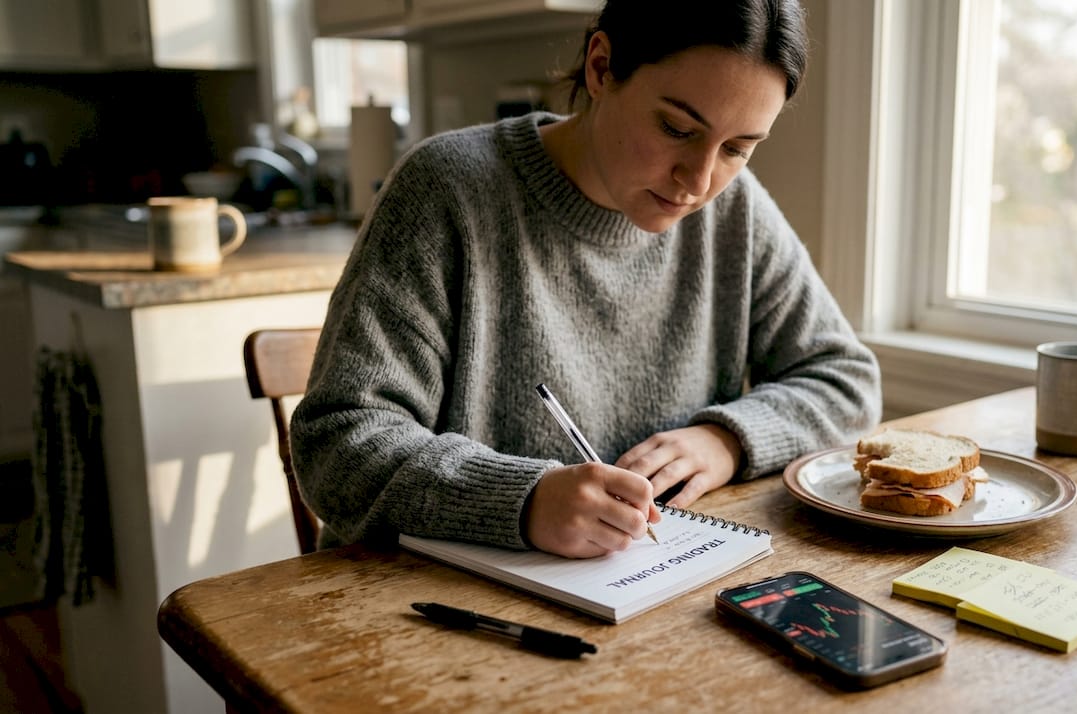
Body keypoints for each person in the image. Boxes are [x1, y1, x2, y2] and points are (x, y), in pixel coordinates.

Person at [290, 0, 882, 559]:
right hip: (421, 613)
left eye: (738, 148)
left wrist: (727, 440)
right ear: (601, 68)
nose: (698, 181)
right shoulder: (447, 190)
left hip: (639, 594)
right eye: (677, 128)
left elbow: (845, 382)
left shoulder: (734, 212)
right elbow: (337, 445)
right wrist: (520, 501)